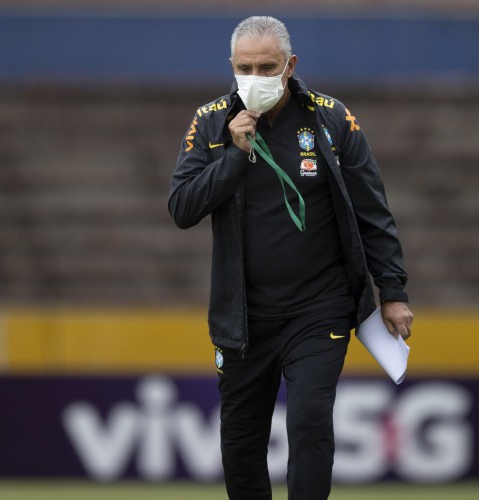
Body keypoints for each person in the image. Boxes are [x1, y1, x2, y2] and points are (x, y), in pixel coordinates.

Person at [168, 15, 413, 500]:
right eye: (245, 68)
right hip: (243, 316)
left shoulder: (331, 118)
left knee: (309, 424)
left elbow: (372, 208)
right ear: (231, 67)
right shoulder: (212, 120)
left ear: (290, 64)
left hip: (318, 308)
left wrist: (394, 291)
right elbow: (182, 207)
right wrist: (234, 156)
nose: (255, 78)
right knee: (240, 444)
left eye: (267, 67)